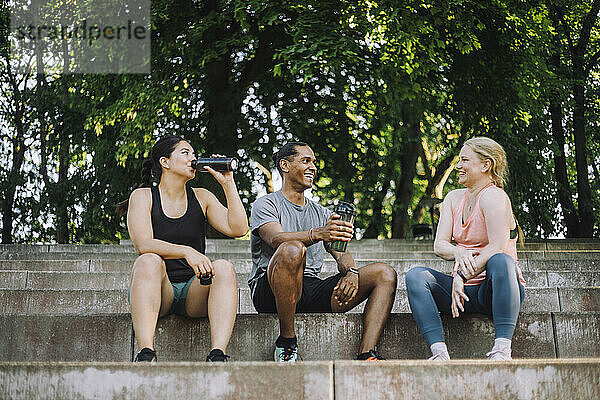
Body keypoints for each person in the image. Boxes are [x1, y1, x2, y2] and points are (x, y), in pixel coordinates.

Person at [249, 141, 397, 362]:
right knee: (292, 249)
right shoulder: (266, 204)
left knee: (384, 273)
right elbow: (276, 239)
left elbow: (341, 252)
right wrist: (318, 234)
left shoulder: (322, 213)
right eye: (305, 161)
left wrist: (352, 272)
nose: (313, 167)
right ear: (285, 165)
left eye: (314, 163)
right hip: (270, 289)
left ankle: (367, 353)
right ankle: (287, 341)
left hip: (309, 287)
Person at [117, 135, 248, 362]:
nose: (193, 158)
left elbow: (238, 228)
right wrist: (187, 251)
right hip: (158, 291)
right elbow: (143, 244)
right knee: (148, 260)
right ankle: (146, 353)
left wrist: (228, 183)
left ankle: (218, 354)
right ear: (165, 162)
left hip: (193, 292)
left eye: (193, 153)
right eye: (185, 153)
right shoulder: (143, 196)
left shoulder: (202, 197)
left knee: (224, 268)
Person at [405, 136, 526, 361]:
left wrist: (461, 273)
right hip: (460, 293)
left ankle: (502, 350)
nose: (458, 166)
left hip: (496, 290)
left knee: (501, 261)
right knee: (415, 276)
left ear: (485, 165)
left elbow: (498, 247)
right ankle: (439, 354)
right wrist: (458, 252)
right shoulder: (453, 198)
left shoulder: (494, 197)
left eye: (464, 160)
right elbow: (440, 245)